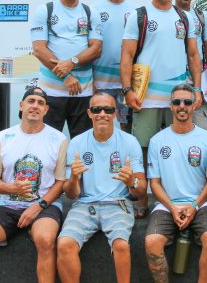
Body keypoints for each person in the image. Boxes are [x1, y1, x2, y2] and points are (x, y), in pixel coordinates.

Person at [120, 0, 203, 216]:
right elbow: (127, 55)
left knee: (177, 148)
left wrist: (197, 89)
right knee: (143, 150)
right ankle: (143, 200)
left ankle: (172, 199)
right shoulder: (139, 15)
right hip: (145, 98)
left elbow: (193, 55)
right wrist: (127, 90)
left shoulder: (185, 17)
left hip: (177, 98)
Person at [0, 87, 67, 283]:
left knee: (45, 239)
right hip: (7, 204)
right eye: (31, 101)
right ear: (21, 105)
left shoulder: (59, 139)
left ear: (46, 110)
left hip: (44, 205)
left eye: (40, 103)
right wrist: (12, 188)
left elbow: (61, 182)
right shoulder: (4, 137)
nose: (35, 106)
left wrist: (39, 206)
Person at [57, 92, 146, 283]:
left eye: (108, 109)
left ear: (115, 113)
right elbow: (72, 194)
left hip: (118, 203)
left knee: (121, 245)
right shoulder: (77, 143)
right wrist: (73, 178)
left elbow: (141, 189)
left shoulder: (130, 142)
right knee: (64, 244)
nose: (102, 114)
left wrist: (132, 182)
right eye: (97, 109)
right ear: (89, 113)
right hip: (84, 204)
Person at [145, 84, 207, 283]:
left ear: (194, 105)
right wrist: (172, 207)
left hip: (202, 203)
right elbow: (154, 183)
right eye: (177, 102)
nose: (182, 106)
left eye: (187, 102)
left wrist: (194, 206)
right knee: (152, 241)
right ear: (170, 106)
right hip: (166, 204)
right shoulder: (157, 141)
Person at [30, 0, 103, 138]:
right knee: (47, 142)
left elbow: (96, 49)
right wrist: (66, 76)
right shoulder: (45, 10)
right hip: (50, 93)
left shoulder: (90, 11)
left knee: (82, 143)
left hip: (82, 93)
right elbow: (39, 50)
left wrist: (72, 63)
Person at [92, 0, 136, 132]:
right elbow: (89, 47)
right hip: (101, 83)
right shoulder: (94, 10)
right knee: (101, 126)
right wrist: (91, 82)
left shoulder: (135, 10)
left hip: (127, 84)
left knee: (127, 127)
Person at [175, 0, 207, 130]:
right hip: (173, 77)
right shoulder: (168, 15)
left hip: (197, 79)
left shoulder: (201, 16)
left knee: (200, 125)